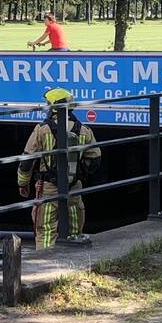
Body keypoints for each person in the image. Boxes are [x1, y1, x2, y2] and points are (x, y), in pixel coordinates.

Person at [17, 87, 101, 249]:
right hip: (75, 188)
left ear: (54, 106)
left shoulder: (41, 130)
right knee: (75, 231)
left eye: (48, 104)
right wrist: (78, 174)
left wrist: (23, 183)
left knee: (45, 230)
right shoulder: (84, 130)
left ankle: (45, 263)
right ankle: (73, 266)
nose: (46, 107)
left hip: (48, 188)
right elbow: (95, 159)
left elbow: (27, 160)